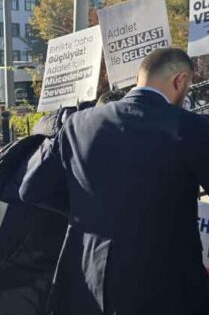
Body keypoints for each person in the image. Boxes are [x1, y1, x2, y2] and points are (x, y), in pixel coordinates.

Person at [19, 48, 209, 315]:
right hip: (165, 289)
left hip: (87, 284)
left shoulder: (78, 124)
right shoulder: (188, 126)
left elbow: (31, 189)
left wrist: (90, 211)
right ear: (180, 81)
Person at [0, 90, 125, 315]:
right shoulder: (67, 138)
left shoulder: (68, 129)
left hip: (30, 247)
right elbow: (31, 189)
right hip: (26, 252)